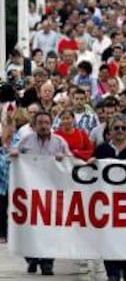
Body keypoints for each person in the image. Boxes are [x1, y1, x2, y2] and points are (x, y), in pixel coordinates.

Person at [9, 111, 72, 275]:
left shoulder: (59, 142)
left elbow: (70, 162)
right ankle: (31, 258)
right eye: (40, 123)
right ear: (34, 125)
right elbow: (11, 157)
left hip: (51, 193)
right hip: (29, 193)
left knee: (48, 229)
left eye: (46, 123)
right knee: (29, 227)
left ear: (51, 124)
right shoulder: (25, 141)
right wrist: (15, 155)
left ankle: (47, 263)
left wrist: (63, 157)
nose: (43, 126)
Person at [92, 114, 126, 281]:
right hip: (107, 204)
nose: (120, 131)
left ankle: (124, 264)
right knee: (108, 239)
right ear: (110, 131)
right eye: (116, 128)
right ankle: (113, 273)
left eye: (124, 128)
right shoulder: (102, 150)